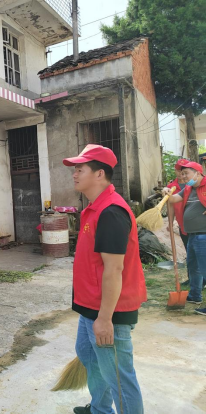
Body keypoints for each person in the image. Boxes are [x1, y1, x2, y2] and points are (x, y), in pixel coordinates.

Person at [63, 144, 147, 414]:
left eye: (80, 169)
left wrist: (105, 318)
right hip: (90, 305)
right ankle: (100, 409)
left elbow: (114, 269)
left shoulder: (111, 211)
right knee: (89, 357)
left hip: (109, 310)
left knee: (119, 377)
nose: (75, 174)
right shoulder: (94, 209)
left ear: (100, 174)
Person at [164, 161, 206, 316]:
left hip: (204, 235)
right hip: (192, 235)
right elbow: (173, 199)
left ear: (197, 173)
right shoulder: (188, 189)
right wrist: (166, 192)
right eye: (182, 174)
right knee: (193, 267)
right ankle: (195, 295)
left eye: (186, 173)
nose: (183, 177)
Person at [166, 158, 189, 253]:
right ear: (175, 171)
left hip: (198, 224)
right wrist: (170, 223)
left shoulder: (195, 184)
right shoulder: (171, 188)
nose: (180, 173)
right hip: (183, 224)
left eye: (183, 171)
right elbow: (170, 206)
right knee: (189, 250)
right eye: (178, 170)